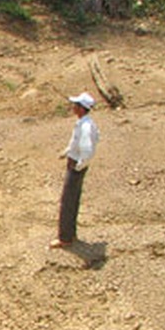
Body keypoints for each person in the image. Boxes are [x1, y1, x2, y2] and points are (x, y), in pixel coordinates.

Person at [51, 92, 100, 248]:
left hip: (76, 165)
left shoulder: (85, 126)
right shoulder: (86, 124)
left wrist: (80, 164)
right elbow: (77, 142)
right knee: (73, 199)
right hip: (76, 162)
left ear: (81, 108)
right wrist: (67, 151)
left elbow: (88, 148)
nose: (73, 107)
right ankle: (70, 234)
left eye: (76, 105)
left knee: (68, 201)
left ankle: (65, 238)